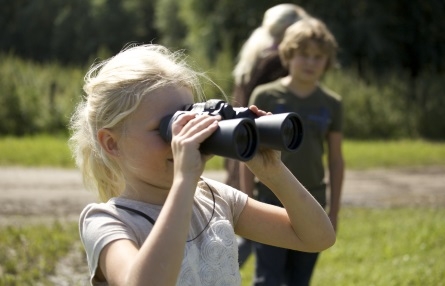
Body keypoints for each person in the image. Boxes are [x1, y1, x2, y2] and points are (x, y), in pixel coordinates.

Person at [69, 44, 335, 286]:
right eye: (170, 127)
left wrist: (274, 173)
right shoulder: (107, 221)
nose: (187, 136)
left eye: (191, 118)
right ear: (112, 143)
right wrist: (184, 181)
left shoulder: (216, 198)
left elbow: (317, 238)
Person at [242, 18, 345, 285]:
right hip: (269, 199)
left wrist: (333, 211)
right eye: (303, 55)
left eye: (318, 57)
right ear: (288, 54)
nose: (311, 62)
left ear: (327, 61)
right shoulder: (265, 96)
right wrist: (245, 201)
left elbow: (335, 160)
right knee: (268, 277)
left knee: (300, 279)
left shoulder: (332, 103)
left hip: (312, 199)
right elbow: (247, 152)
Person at [225, 4, 309, 267]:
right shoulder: (278, 61)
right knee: (258, 233)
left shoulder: (253, 56)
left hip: (240, 143)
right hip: (263, 149)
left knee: (244, 226)